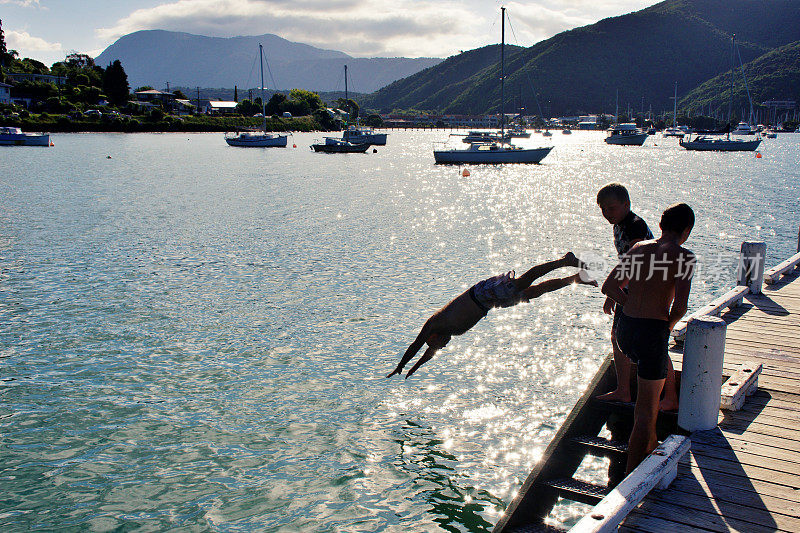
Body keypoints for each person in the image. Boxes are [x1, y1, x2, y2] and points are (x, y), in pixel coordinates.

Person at [387, 253, 597, 379]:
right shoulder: (442, 336)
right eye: (439, 347)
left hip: (482, 294)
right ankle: (576, 278)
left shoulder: (435, 323)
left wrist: (401, 364)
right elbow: (428, 353)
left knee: (523, 282)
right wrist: (413, 368)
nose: (440, 347)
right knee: (535, 292)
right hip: (491, 304)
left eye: (436, 345)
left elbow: (417, 345)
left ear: (431, 338)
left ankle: (564, 260)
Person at [601, 203, 695, 474]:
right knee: (645, 414)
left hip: (625, 331)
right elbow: (680, 306)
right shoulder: (684, 257)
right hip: (651, 333)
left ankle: (651, 447)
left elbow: (610, 287)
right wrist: (667, 325)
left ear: (662, 225)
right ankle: (632, 479)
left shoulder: (639, 248)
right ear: (686, 230)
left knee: (647, 413)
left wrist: (630, 306)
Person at [594, 183, 654, 404]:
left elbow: (637, 263)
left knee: (650, 342)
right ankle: (623, 390)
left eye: (611, 208)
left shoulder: (635, 227)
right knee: (618, 338)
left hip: (645, 291)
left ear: (626, 204)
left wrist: (616, 291)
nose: (607, 214)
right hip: (629, 288)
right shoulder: (620, 224)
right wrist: (613, 294)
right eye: (603, 210)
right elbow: (625, 266)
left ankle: (666, 395)